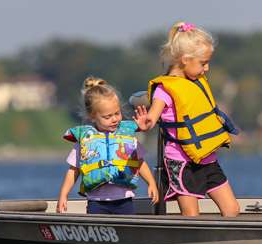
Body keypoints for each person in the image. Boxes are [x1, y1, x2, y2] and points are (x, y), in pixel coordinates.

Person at [133, 22, 240, 217]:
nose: (206, 68)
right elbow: (151, 119)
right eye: (203, 63)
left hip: (207, 158)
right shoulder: (164, 89)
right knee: (191, 215)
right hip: (181, 162)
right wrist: (144, 124)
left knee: (232, 210)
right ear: (185, 60)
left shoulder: (196, 82)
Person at [56, 77, 158, 215]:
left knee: (126, 232)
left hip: (124, 200)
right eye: (107, 116)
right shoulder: (85, 139)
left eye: (117, 113)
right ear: (93, 116)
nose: (114, 119)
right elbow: (73, 170)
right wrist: (63, 194)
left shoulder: (126, 136)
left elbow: (139, 162)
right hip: (96, 202)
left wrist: (151, 183)